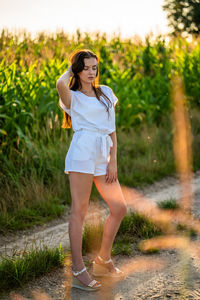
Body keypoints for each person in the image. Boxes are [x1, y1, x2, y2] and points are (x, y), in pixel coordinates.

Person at [56, 49, 127, 292]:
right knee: (80, 210)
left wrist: (113, 160)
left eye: (94, 67)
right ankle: (77, 270)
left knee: (119, 208)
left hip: (103, 153)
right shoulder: (72, 97)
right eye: (86, 67)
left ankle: (102, 260)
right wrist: (71, 69)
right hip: (83, 152)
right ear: (77, 69)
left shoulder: (105, 92)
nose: (91, 72)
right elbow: (59, 83)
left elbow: (111, 129)